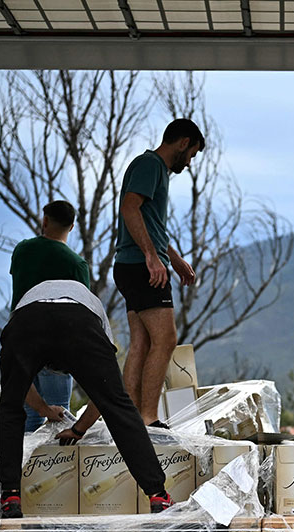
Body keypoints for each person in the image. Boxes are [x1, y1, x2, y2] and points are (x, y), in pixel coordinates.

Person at [0, 279, 170, 518]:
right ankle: (158, 495)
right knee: (119, 406)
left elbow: (18, 389)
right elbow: (106, 396)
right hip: (78, 320)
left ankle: (10, 496)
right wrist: (76, 428)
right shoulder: (94, 311)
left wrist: (67, 423)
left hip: (26, 322)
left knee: (10, 406)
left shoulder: (28, 306)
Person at [114, 117, 204, 427]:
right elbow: (129, 207)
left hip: (131, 264)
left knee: (142, 342)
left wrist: (172, 257)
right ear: (182, 143)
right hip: (141, 266)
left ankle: (132, 418)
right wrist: (152, 257)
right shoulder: (150, 164)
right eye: (191, 154)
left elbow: (150, 224)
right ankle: (149, 417)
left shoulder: (153, 168)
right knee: (165, 340)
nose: (190, 162)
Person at [10, 200, 92, 432]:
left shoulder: (22, 251)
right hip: (57, 350)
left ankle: (25, 468)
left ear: (45, 221)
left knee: (28, 421)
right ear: (72, 227)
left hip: (22, 344)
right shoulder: (76, 264)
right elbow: (82, 311)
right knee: (59, 424)